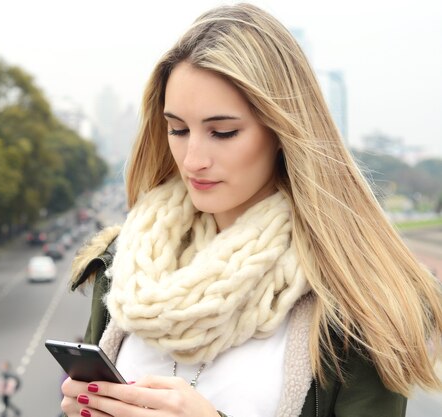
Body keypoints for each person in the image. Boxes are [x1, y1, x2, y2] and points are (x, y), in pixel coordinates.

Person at [60, 3, 442, 417]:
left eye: (222, 132)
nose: (193, 160)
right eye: (178, 129)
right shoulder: (124, 263)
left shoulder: (356, 302)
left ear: (282, 130)